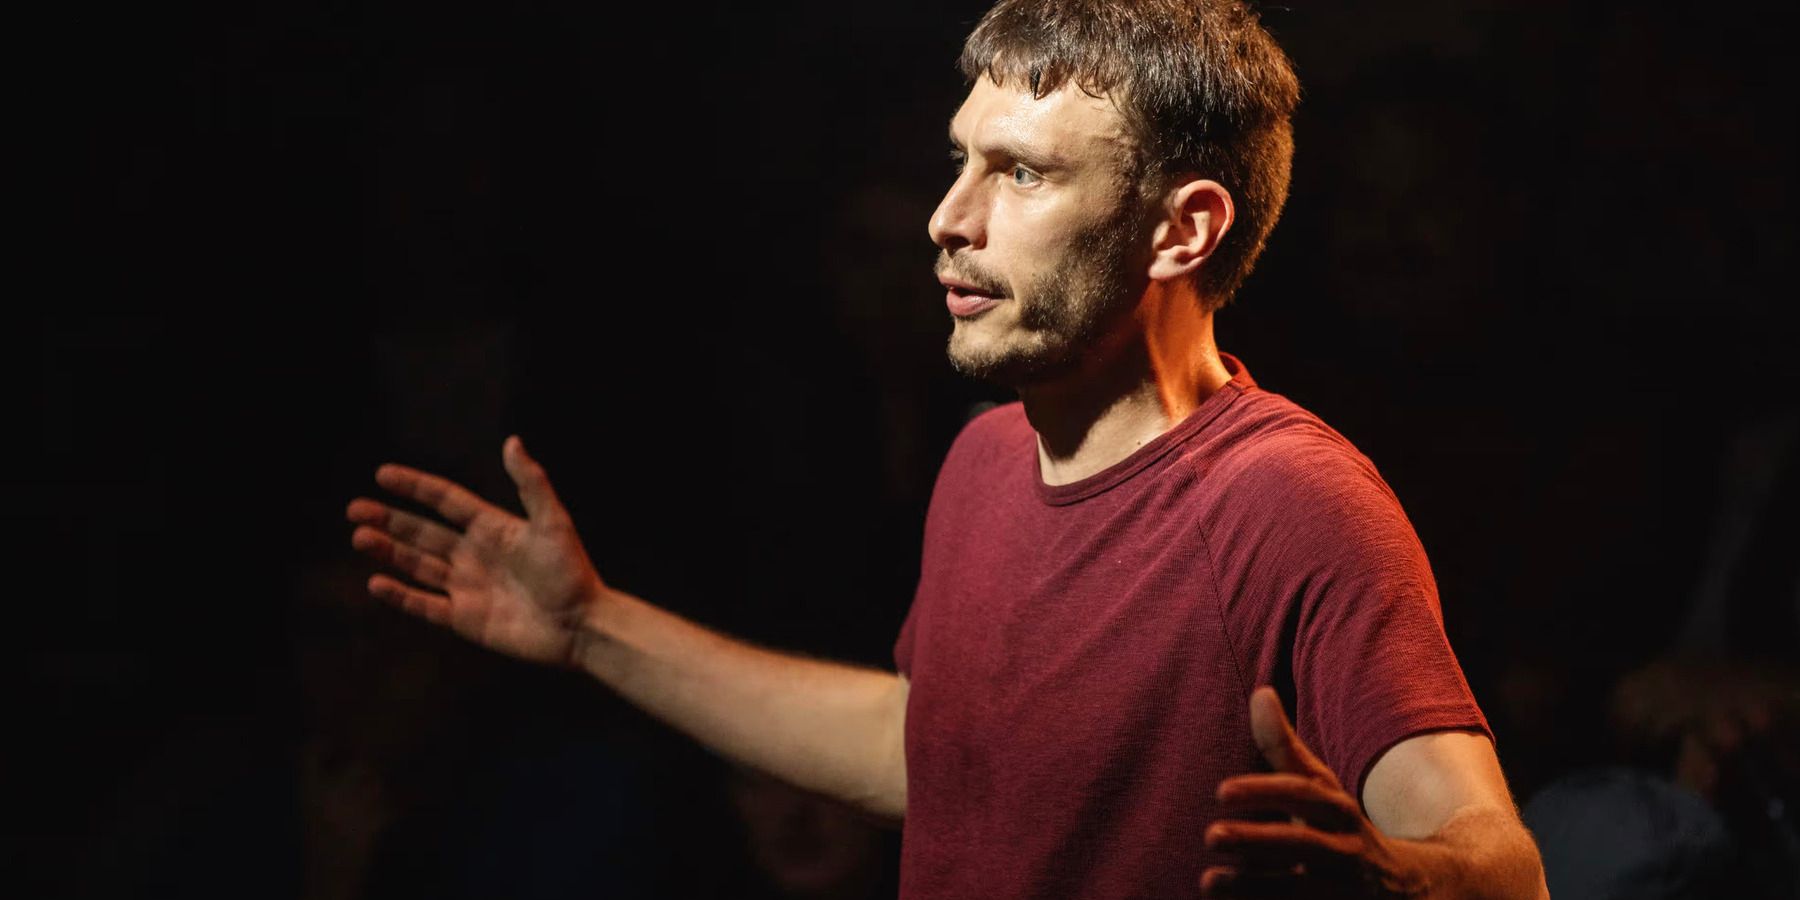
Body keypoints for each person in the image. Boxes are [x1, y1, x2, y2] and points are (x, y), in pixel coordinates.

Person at [346, 1, 1549, 896]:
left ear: (1182, 229)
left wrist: (1397, 878)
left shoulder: (1288, 500)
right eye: (962, 159)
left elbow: (1505, 865)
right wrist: (590, 627)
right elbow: (932, 749)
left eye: (1020, 173)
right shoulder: (984, 459)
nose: (947, 216)